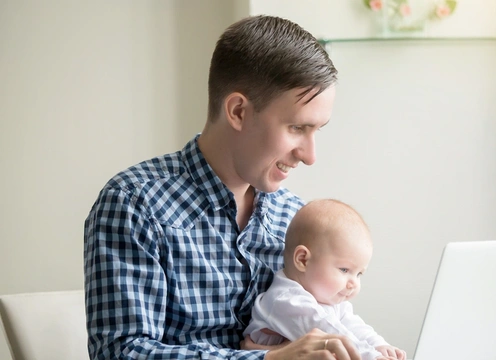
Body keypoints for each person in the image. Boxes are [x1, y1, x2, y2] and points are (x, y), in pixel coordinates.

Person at [83, 15, 362, 360]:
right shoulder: (135, 205)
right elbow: (121, 354)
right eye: (296, 128)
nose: (309, 155)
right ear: (238, 111)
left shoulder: (295, 218)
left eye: (317, 130)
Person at [243, 199, 406, 360]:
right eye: (344, 270)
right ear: (303, 260)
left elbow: (354, 325)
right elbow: (332, 333)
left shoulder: (329, 301)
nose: (354, 284)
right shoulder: (286, 300)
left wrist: (379, 346)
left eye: (359, 274)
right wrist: (372, 356)